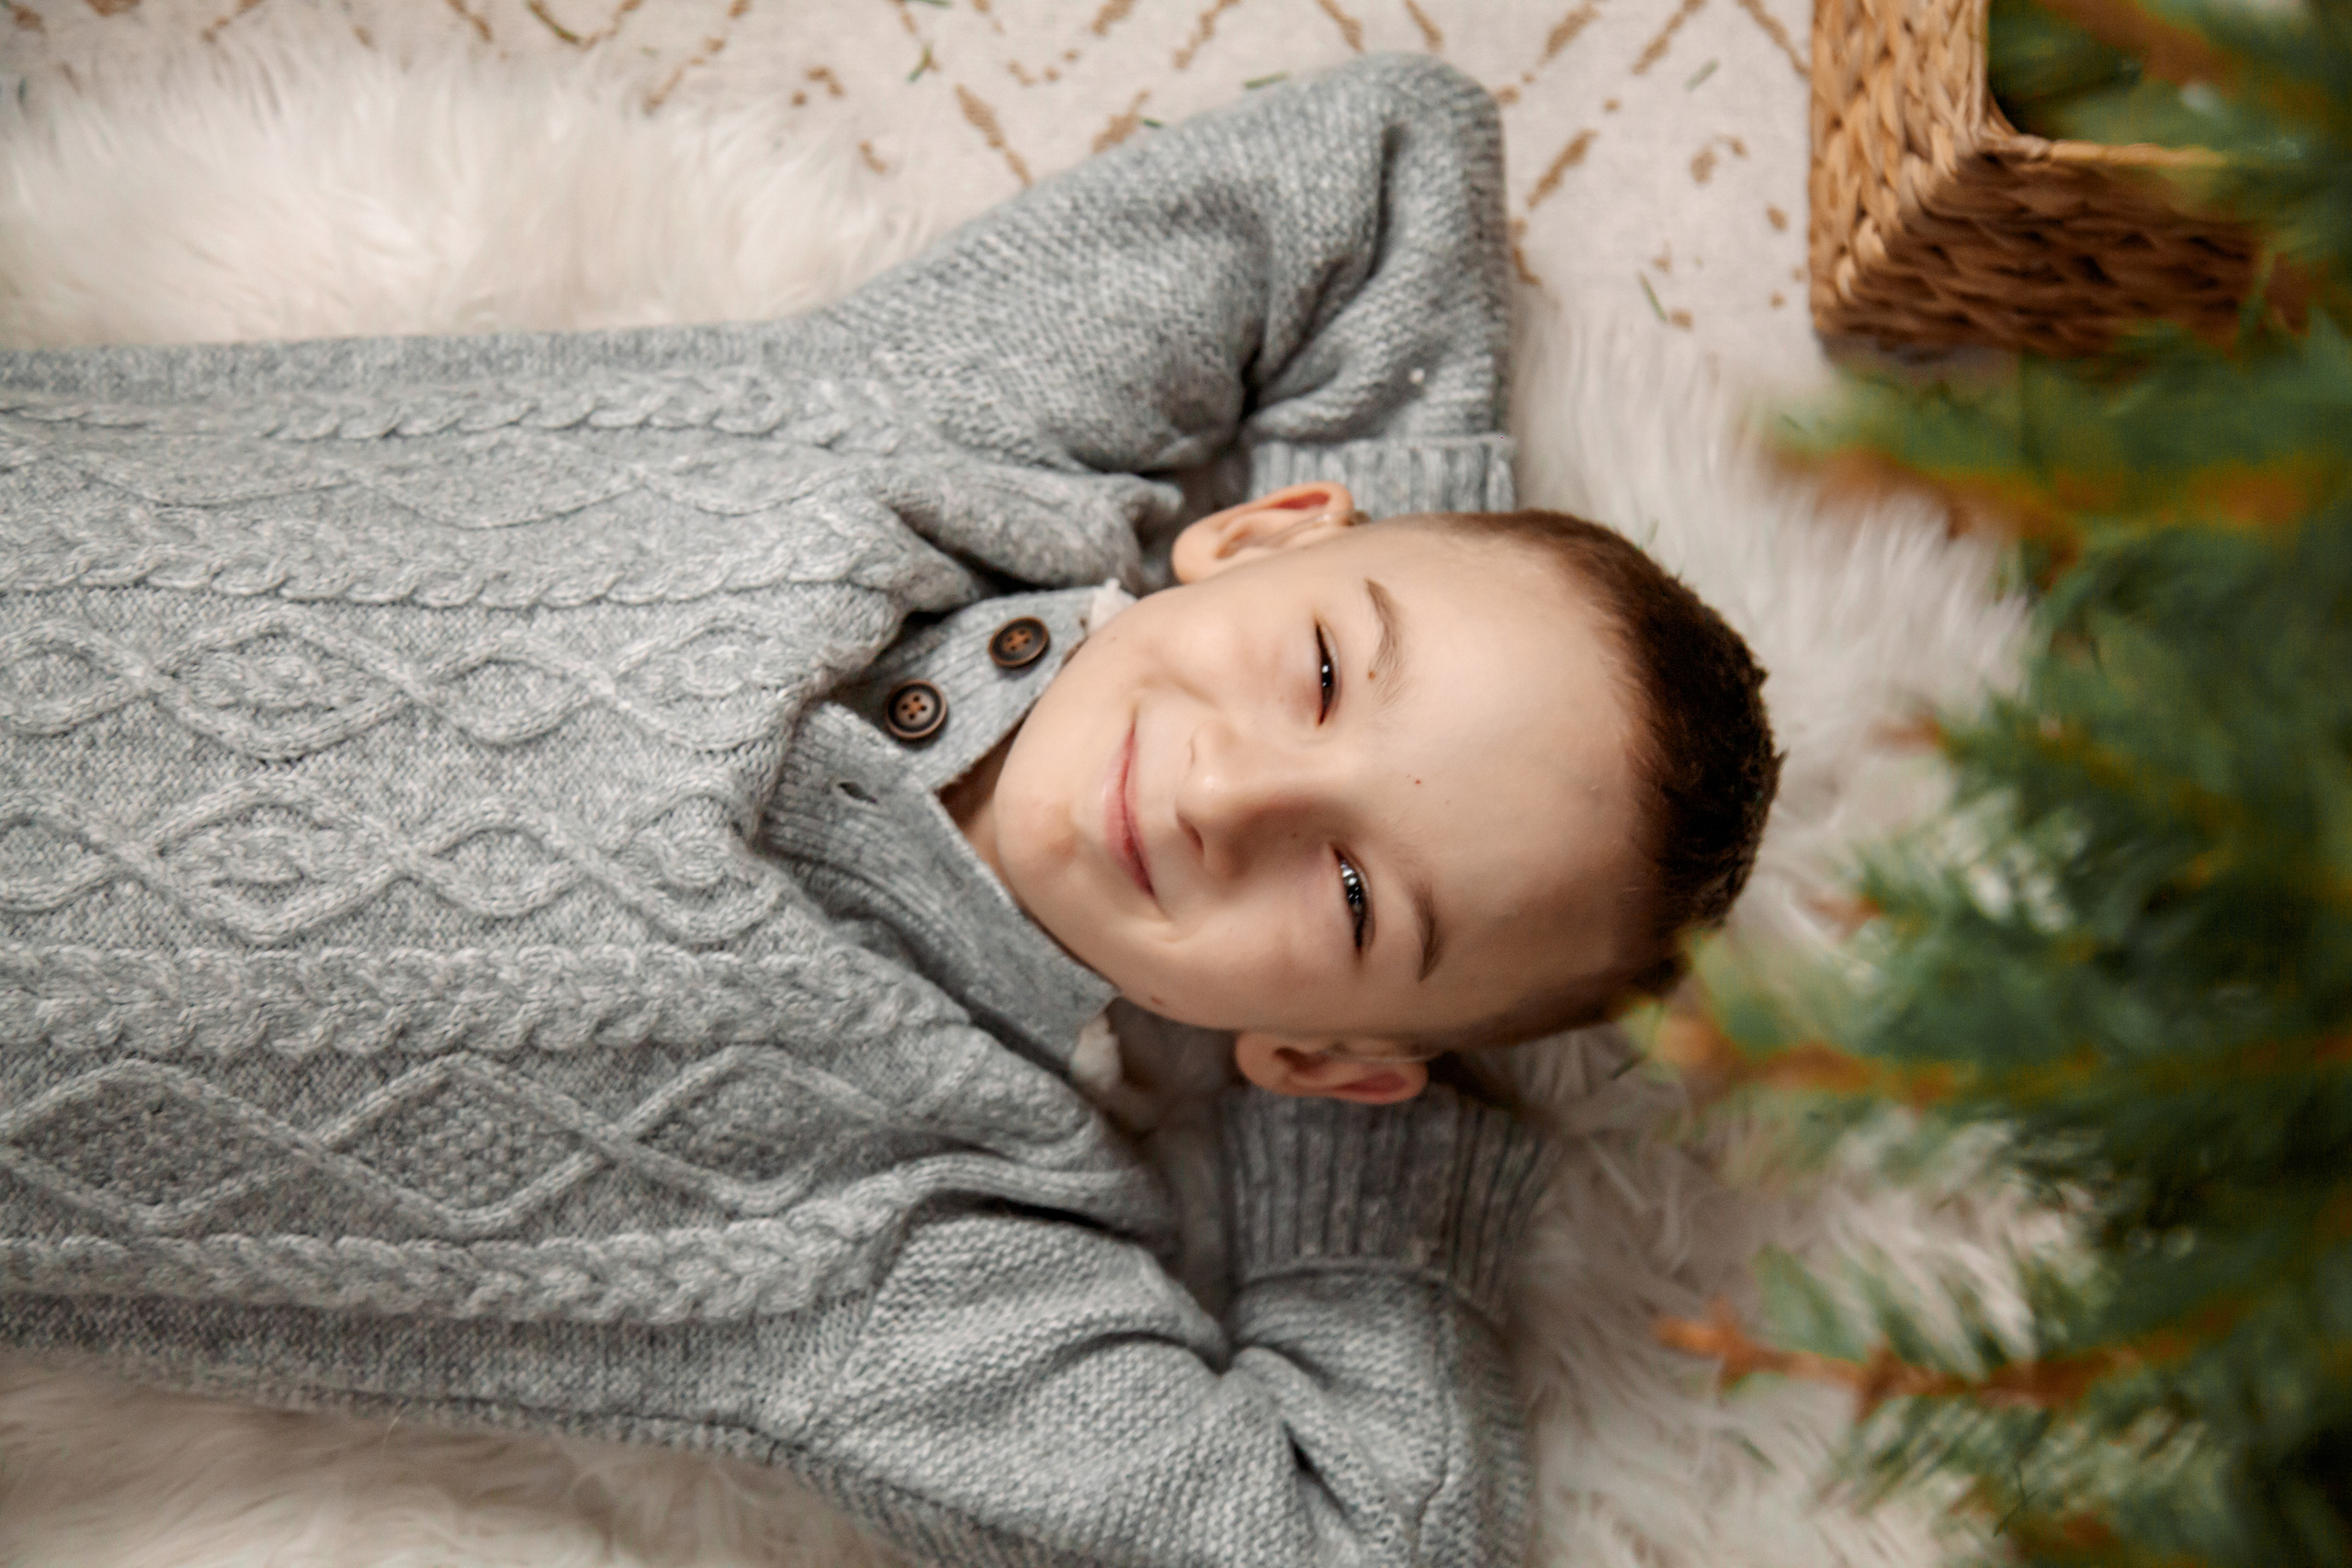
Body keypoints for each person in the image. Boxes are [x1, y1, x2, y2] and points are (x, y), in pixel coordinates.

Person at [0, 52, 1774, 1567]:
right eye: (1321, 669)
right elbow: (1388, 167)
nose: (1239, 791)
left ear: (1330, 1062)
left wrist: (1363, 1132)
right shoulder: (967, 431)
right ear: (1265, 533)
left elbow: (1362, 1535)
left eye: (1359, 895)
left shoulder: (919, 1258)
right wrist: (1367, 914)